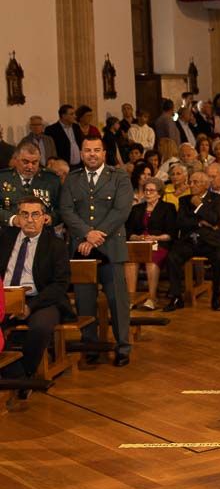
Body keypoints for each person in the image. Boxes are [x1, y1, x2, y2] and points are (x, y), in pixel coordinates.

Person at [60, 137, 133, 365]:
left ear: (104, 153)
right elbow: (66, 210)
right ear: (81, 154)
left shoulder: (119, 176)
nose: (92, 154)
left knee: (117, 301)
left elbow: (121, 211)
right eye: (88, 150)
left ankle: (123, 348)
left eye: (97, 150)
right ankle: (90, 346)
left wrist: (95, 236)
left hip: (110, 249)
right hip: (82, 250)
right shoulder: (73, 179)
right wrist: (86, 234)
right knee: (84, 302)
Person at [0, 196, 71, 392]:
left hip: (41, 299)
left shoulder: (55, 245)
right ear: (18, 217)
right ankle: (16, 375)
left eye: (35, 214)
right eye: (25, 214)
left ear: (44, 218)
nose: (30, 219)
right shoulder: (5, 238)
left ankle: (26, 374)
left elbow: (60, 284)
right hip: (5, 296)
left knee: (41, 326)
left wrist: (30, 307)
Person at [163, 170, 220, 312]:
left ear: (205, 185)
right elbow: (180, 222)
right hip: (189, 241)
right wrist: (199, 223)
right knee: (172, 257)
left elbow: (215, 219)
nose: (191, 185)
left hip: (209, 242)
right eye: (190, 182)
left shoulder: (217, 199)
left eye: (195, 182)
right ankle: (176, 297)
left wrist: (199, 206)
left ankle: (216, 297)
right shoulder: (184, 200)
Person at [125, 179, 176, 311]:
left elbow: (171, 233)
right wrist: (136, 237)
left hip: (159, 244)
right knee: (130, 261)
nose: (147, 193)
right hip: (139, 245)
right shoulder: (136, 209)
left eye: (151, 190)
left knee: (151, 260)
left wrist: (155, 237)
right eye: (146, 190)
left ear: (159, 193)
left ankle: (152, 298)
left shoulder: (168, 208)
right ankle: (132, 299)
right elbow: (128, 231)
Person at [0, 142, 62, 227]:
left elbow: (62, 208)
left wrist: (51, 218)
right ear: (16, 159)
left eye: (34, 162)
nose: (30, 166)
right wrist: (12, 219)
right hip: (10, 231)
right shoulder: (3, 178)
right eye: (25, 162)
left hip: (42, 231)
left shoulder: (51, 180)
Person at [47, 103, 84, 169]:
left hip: (79, 165)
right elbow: (51, 150)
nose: (75, 116)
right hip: (63, 167)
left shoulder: (76, 127)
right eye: (71, 114)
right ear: (63, 116)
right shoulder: (52, 130)